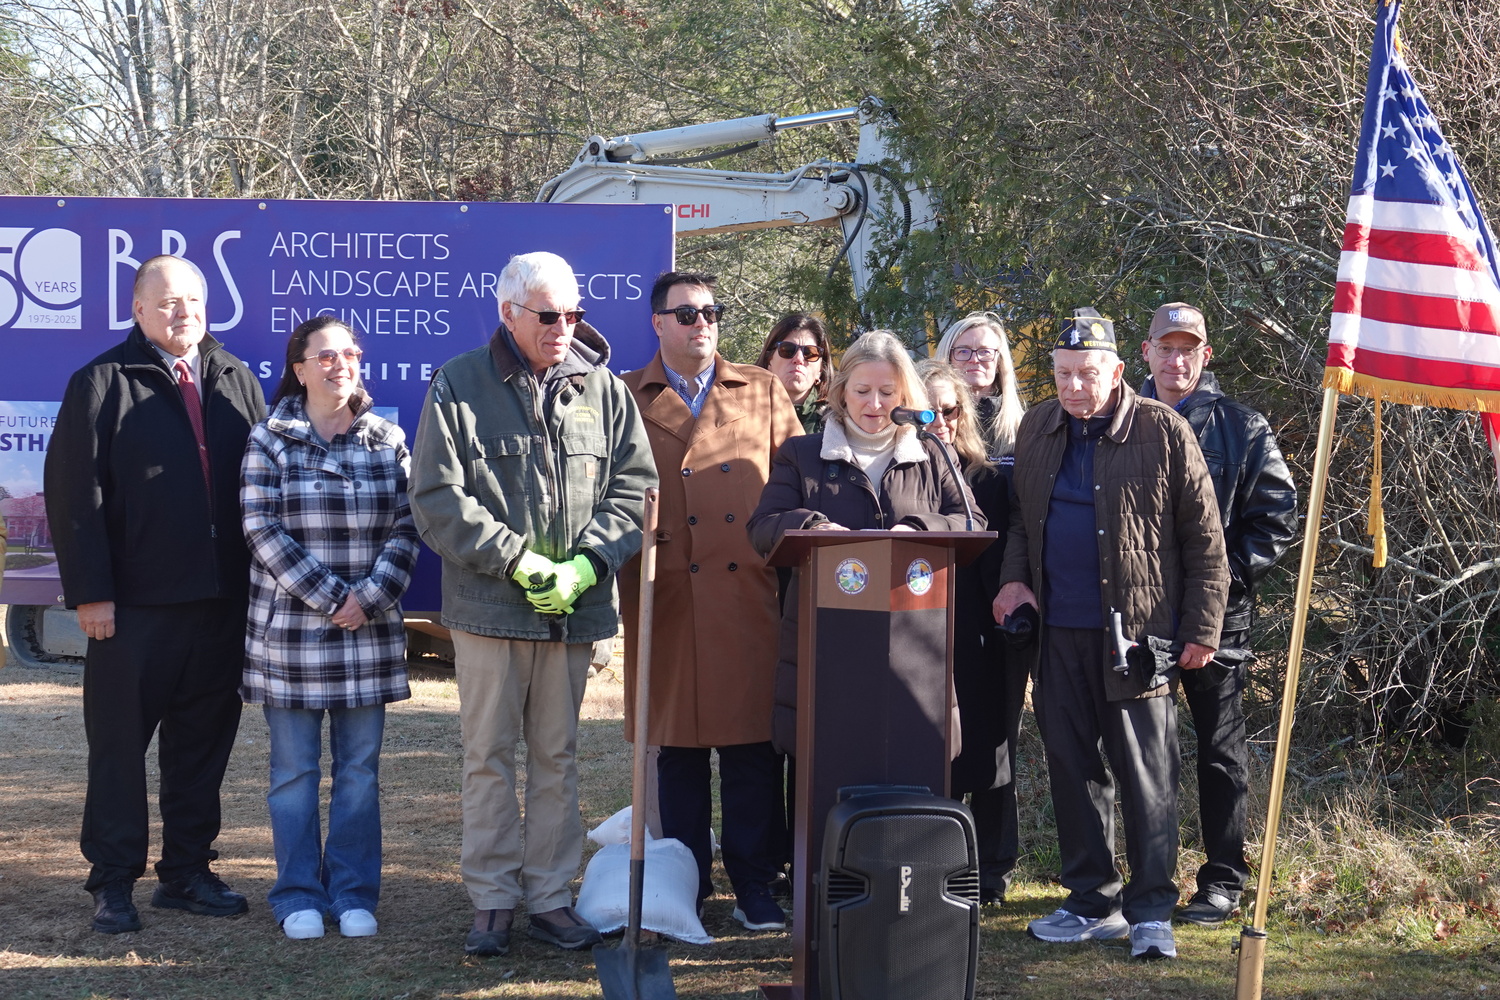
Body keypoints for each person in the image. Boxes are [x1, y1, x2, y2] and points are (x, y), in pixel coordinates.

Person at [409, 251, 655, 956]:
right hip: (489, 610)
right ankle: (492, 899)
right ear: (508, 313)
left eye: (573, 313)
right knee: (487, 756)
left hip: (573, 613)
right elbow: (436, 497)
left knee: (558, 756)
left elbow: (636, 487)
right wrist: (517, 559)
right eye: (548, 315)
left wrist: (587, 563)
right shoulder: (459, 383)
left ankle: (550, 898)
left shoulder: (605, 389)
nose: (563, 327)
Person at [992, 307, 1227, 961]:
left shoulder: (1162, 429)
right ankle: (1091, 901)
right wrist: (1014, 581)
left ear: (1118, 370)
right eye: (1063, 374)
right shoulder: (1038, 426)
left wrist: (1201, 627)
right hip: (1057, 634)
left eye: (1087, 374)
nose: (1074, 388)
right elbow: (1021, 521)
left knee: (1148, 776)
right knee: (1073, 770)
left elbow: (1204, 538)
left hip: (1138, 638)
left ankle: (1151, 912)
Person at [44, 254, 266, 934]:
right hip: (132, 609)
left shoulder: (235, 378)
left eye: (192, 300)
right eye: (166, 301)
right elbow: (74, 495)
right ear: (138, 309)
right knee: (118, 750)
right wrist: (91, 594)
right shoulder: (101, 381)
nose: (182, 312)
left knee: (200, 749)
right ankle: (113, 882)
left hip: (221, 603)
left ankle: (187, 873)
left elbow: (264, 485)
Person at [619, 270, 800, 931]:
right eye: (687, 313)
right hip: (666, 592)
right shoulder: (624, 395)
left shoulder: (760, 388)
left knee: (752, 748)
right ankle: (685, 885)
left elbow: (794, 480)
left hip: (746, 592)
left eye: (711, 312)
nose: (702, 324)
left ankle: (755, 886)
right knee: (680, 751)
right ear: (658, 322)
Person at [240, 316, 420, 940]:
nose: (339, 364)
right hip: (291, 636)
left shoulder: (387, 438)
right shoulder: (269, 437)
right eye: (324, 356)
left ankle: (352, 893)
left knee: (359, 773)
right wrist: (333, 599)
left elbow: (408, 526)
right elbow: (261, 529)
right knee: (294, 774)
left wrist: (366, 599)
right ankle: (296, 895)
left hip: (366, 633)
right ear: (299, 369)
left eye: (349, 353)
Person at [1138, 302, 1298, 926]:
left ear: (1205, 356)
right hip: (1141, 615)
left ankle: (1223, 881)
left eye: (1188, 350)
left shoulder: (1242, 426)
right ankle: (1146, 881)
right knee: (1144, 752)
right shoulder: (1118, 420)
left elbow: (1275, 517)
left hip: (1217, 619)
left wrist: (1221, 580)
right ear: (1146, 352)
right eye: (1166, 347)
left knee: (1220, 751)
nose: (1176, 360)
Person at [748, 331, 980, 757]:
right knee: (825, 767)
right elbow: (762, 526)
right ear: (841, 391)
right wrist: (814, 528)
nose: (875, 404)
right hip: (827, 647)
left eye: (887, 392)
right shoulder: (802, 455)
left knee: (910, 766)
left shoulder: (932, 453)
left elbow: (971, 520)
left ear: (905, 394)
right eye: (862, 391)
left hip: (914, 645)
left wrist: (918, 530)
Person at [917, 358, 1027, 906]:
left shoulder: (990, 480)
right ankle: (928, 859)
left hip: (981, 636)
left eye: (949, 410)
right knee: (924, 752)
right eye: (926, 411)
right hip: (914, 638)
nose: (939, 421)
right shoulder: (897, 480)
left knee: (988, 751)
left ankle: (990, 870)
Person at [934, 311, 1026, 457]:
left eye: (985, 351)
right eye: (963, 351)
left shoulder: (1024, 429)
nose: (975, 359)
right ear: (948, 359)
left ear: (999, 362)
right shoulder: (933, 424)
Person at [755, 312, 835, 434]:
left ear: (820, 370)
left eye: (810, 353)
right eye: (787, 349)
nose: (799, 359)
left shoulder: (838, 421)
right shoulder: (743, 411)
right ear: (769, 360)